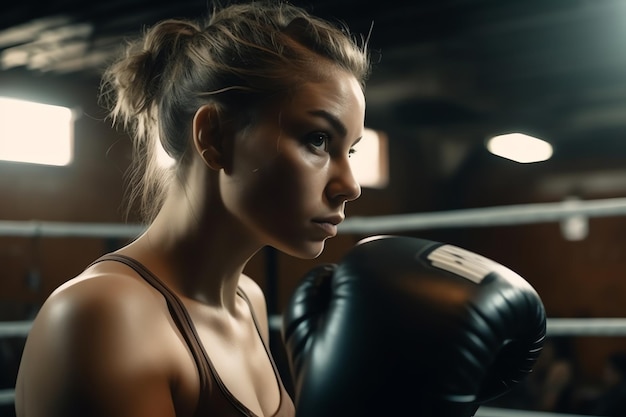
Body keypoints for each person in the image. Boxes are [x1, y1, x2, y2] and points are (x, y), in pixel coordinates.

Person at [14, 2, 370, 416]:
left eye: (352, 150)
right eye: (318, 140)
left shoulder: (246, 300)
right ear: (215, 137)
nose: (351, 186)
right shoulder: (101, 317)